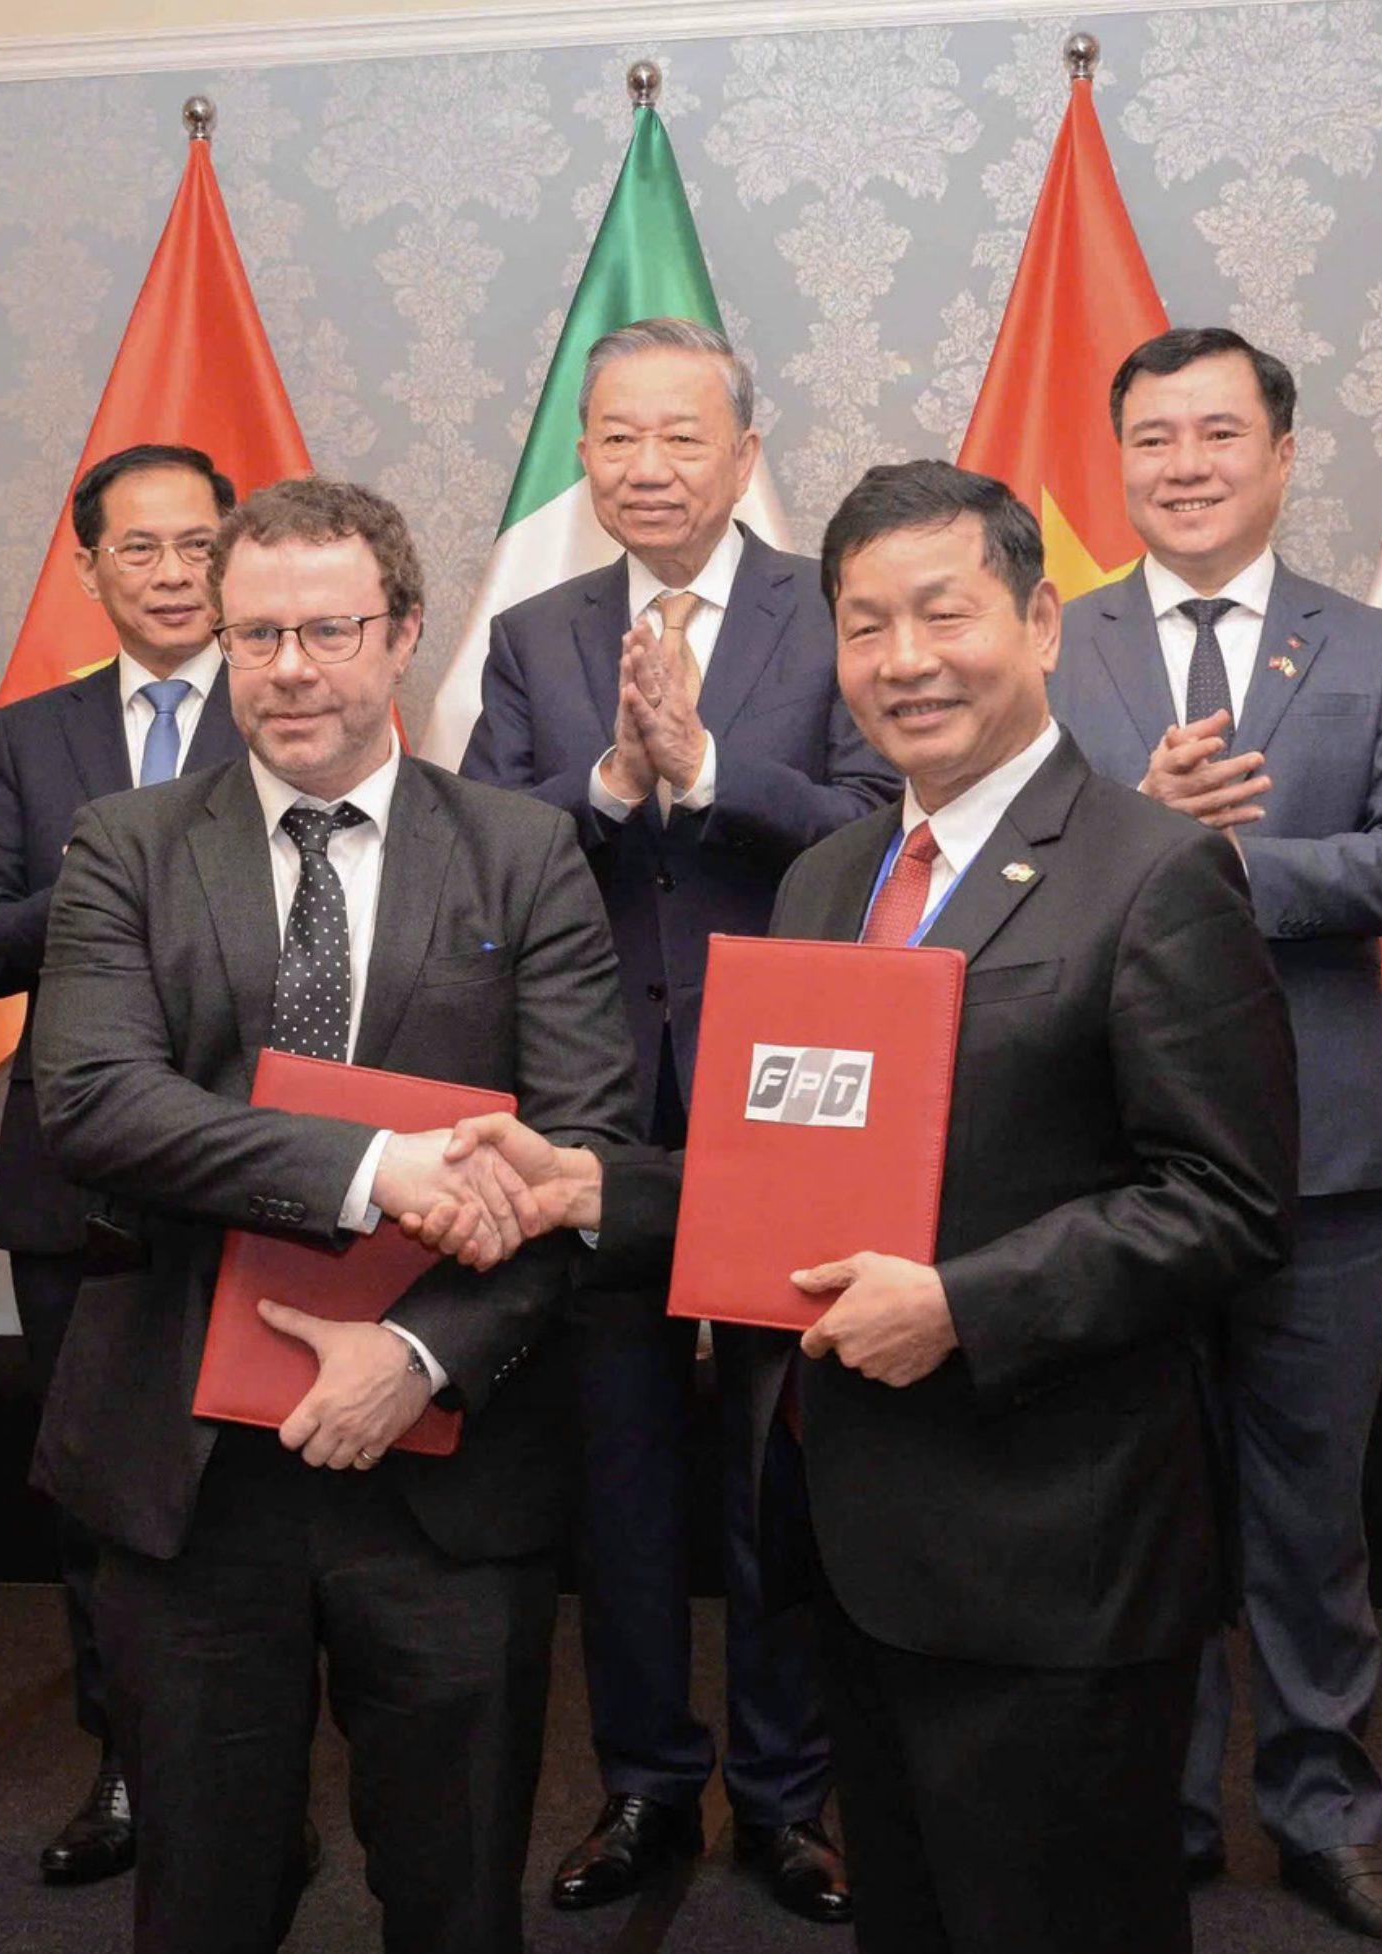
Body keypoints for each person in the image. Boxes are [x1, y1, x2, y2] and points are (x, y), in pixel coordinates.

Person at [421, 460, 1300, 1953]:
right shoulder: (829, 874)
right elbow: (789, 1173)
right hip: (849, 1533)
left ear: (1036, 621)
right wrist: (597, 1189)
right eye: (864, 624)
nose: (903, 661)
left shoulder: (1153, 873)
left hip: (1054, 1551)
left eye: (941, 614)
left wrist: (966, 1302)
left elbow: (1223, 1201)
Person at [27, 476, 636, 1954]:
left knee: (450, 1886)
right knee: (204, 1890)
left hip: (443, 1470)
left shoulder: (519, 849)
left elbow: (584, 1153)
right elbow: (95, 1102)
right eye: (254, 636)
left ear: (405, 633)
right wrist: (374, 1172)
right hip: (189, 1464)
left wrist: (414, 1357)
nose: (289, 667)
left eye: (327, 629)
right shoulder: (126, 843)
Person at [460, 316, 890, 1923]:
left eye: (680, 437)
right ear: (582, 452)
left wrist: (705, 767)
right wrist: (610, 788)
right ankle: (643, 1779)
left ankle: (787, 1792)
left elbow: (874, 821)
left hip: (787, 1097)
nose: (646, 465)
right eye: (616, 436)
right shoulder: (535, 630)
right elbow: (488, 837)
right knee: (618, 1464)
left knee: (780, 1464)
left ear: (744, 454)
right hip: (586, 1101)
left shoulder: (821, 611)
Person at [1046, 324, 1382, 1947]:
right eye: (1152, 437)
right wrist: (1138, 837)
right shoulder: (1050, 647)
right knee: (1137, 1496)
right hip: (1110, 1150)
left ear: (1282, 455)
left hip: (1321, 1147)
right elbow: (1000, 868)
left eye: (1217, 433)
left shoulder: (1373, 648)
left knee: (1305, 1503)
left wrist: (1225, 869)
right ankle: (1147, 1808)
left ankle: (1322, 1812)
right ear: (1119, 462)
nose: (1185, 464)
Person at [0, 441, 243, 1886]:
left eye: (197, 545)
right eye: (142, 549)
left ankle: (255, 1784)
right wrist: (112, 869)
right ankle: (123, 1763)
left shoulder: (298, 703)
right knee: (96, 1497)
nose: (173, 574)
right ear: (89, 565)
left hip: (259, 1170)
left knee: (253, 1505)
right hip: (77, 1175)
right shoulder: (33, 732)